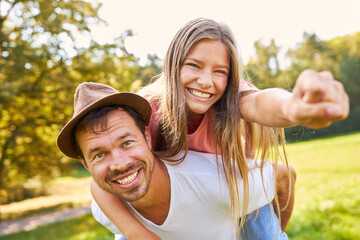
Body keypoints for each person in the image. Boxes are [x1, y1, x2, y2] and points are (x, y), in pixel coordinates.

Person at [90, 17, 349, 239]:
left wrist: (293, 107)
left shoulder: (229, 97)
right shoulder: (148, 112)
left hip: (235, 192)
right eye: (194, 65)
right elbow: (100, 179)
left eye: (220, 71)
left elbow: (260, 103)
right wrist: (135, 233)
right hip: (171, 204)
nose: (206, 82)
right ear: (173, 65)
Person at [57, 82, 286, 240]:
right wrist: (136, 233)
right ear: (86, 165)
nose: (118, 163)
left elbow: (284, 175)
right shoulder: (108, 208)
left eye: (126, 142)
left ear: (147, 136)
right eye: (99, 154)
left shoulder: (217, 184)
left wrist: (276, 231)